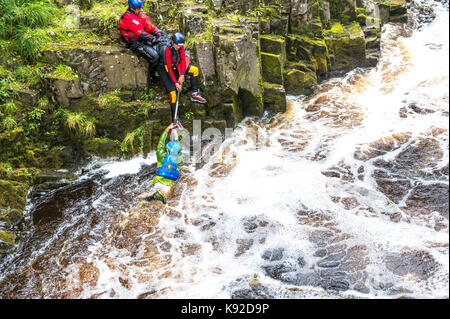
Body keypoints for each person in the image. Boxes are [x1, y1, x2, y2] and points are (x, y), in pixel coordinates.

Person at [156, 32, 208, 126]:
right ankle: (175, 120)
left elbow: (183, 60)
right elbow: (168, 69)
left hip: (175, 64)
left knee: (194, 70)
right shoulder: (166, 49)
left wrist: (182, 75)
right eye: (177, 45)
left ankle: (194, 94)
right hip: (165, 69)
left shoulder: (180, 46)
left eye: (180, 46)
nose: (178, 47)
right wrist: (175, 82)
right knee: (173, 94)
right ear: (172, 42)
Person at [140, 123, 183, 204]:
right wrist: (175, 136)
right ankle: (157, 197)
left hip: (158, 184)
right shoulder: (179, 159)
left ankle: (150, 197)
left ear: (167, 149)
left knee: (151, 198)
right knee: (166, 200)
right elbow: (178, 149)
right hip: (169, 187)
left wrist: (168, 129)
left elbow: (160, 144)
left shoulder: (161, 156)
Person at [119, 0, 165, 76]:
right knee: (155, 57)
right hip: (135, 42)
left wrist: (157, 32)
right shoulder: (128, 18)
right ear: (132, 8)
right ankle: (151, 74)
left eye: (141, 8)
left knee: (161, 48)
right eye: (138, 8)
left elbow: (149, 25)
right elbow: (140, 33)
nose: (140, 10)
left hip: (143, 39)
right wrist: (153, 39)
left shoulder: (140, 14)